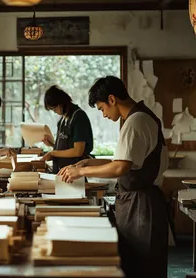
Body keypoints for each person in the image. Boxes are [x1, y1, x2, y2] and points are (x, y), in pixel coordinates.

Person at [59, 76, 169, 278]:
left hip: (142, 205)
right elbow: (125, 160)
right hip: (138, 202)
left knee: (143, 266)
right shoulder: (138, 118)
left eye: (101, 108)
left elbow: (120, 167)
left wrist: (81, 172)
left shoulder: (136, 121)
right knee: (137, 263)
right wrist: (88, 162)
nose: (103, 115)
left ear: (112, 99)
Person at [41, 85, 94, 174]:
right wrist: (52, 144)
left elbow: (78, 151)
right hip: (61, 171)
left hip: (74, 173)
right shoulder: (62, 119)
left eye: (55, 109)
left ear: (61, 102)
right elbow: (67, 147)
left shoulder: (78, 117)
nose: (55, 112)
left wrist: (53, 153)